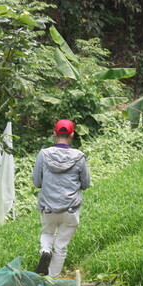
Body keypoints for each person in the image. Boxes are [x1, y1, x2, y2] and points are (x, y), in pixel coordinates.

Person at [32, 119, 90, 277]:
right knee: (61, 246)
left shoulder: (43, 155)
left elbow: (37, 182)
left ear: (54, 135)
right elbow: (85, 184)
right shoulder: (79, 157)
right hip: (70, 209)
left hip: (48, 208)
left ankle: (45, 250)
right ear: (72, 135)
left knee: (47, 232)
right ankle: (52, 279)